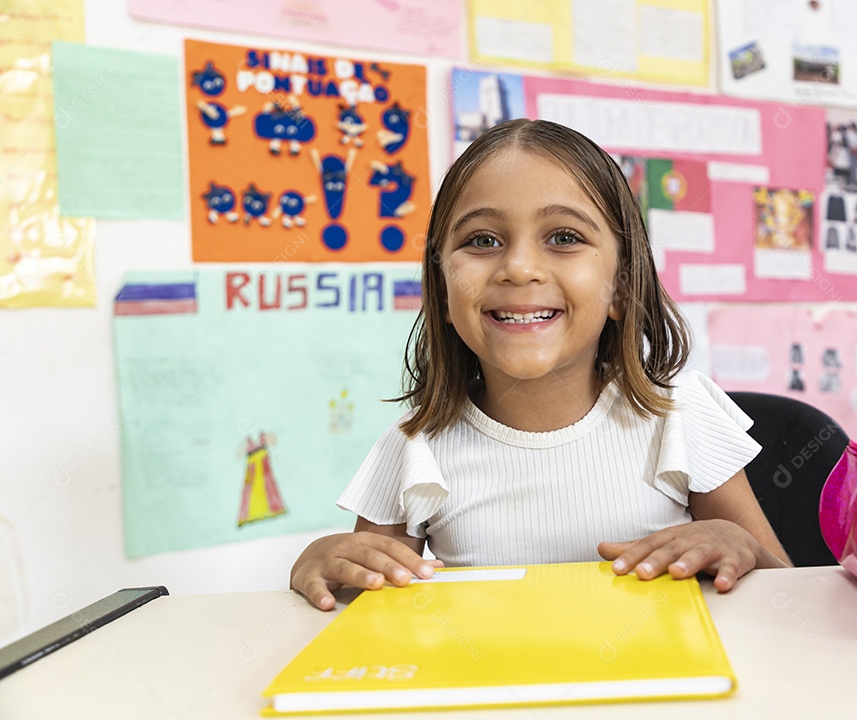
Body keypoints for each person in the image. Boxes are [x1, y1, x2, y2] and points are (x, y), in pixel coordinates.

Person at [291, 119, 791, 611]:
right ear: (443, 290)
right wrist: (322, 562)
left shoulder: (680, 415)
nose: (519, 268)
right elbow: (368, 602)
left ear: (621, 286)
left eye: (565, 237)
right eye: (483, 241)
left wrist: (738, 544)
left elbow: (789, 591)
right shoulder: (416, 444)